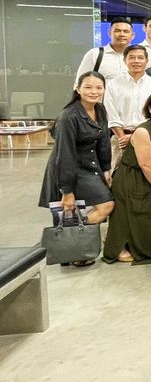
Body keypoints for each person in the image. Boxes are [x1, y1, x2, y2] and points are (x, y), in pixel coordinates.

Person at [39, 71, 115, 267]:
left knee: (99, 206)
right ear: (78, 89)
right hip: (71, 167)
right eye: (88, 87)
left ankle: (77, 246)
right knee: (106, 205)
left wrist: (106, 169)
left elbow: (104, 142)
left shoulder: (100, 109)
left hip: (91, 166)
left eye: (98, 87)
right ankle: (72, 242)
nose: (93, 91)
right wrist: (67, 190)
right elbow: (64, 155)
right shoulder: (69, 116)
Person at [103, 89, 151, 264]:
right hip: (133, 176)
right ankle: (120, 246)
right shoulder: (143, 131)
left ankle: (148, 243)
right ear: (150, 108)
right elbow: (145, 165)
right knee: (138, 209)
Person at [104, 44, 151, 170]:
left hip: (149, 138)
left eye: (140, 58)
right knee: (118, 176)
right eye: (132, 57)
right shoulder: (113, 85)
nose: (136, 61)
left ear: (146, 61)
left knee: (148, 172)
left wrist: (135, 137)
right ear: (125, 60)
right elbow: (111, 114)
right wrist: (122, 138)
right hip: (120, 139)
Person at [74, 17, 133, 85]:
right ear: (109, 33)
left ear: (132, 35)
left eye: (126, 31)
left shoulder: (137, 58)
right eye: (117, 31)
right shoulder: (95, 54)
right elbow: (79, 83)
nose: (122, 34)